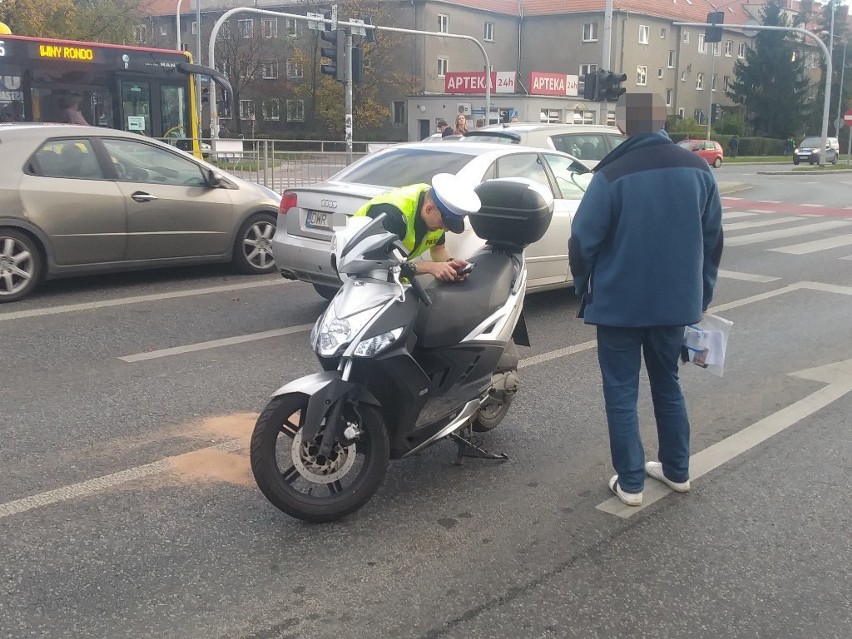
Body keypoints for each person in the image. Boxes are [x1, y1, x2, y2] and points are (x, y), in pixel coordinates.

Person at [568, 92, 723, 507]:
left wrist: (583, 285)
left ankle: (632, 482)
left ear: (621, 125)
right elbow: (712, 242)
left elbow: (583, 240)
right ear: (662, 119)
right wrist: (701, 294)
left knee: (621, 392)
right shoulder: (699, 170)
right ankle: (677, 470)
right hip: (676, 304)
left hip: (619, 305)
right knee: (668, 384)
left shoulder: (612, 174)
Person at [352, 173, 480, 281]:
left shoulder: (437, 209)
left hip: (391, 276)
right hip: (358, 271)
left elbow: (438, 249)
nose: (445, 229)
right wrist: (430, 267)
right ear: (429, 209)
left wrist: (450, 264)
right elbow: (377, 265)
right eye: (444, 224)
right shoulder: (392, 215)